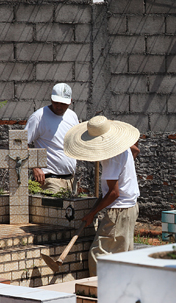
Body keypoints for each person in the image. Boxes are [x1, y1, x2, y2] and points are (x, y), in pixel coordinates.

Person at [63, 115, 140, 276]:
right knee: (122, 256)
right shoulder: (124, 147)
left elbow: (114, 193)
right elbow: (136, 149)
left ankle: (98, 294)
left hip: (119, 211)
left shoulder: (112, 159)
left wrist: (92, 213)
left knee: (98, 255)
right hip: (130, 207)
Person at [26, 83, 79, 193]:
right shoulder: (39, 117)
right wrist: (35, 167)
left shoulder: (72, 116)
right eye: (56, 102)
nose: (59, 106)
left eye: (63, 103)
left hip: (70, 180)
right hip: (49, 180)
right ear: (51, 99)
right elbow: (20, 143)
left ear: (70, 101)